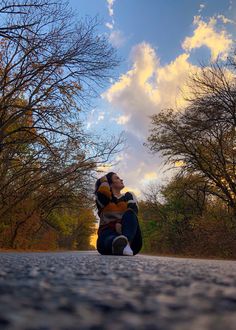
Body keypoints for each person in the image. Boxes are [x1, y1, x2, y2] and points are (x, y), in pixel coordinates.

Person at [95, 172, 142, 256]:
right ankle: (119, 243)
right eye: (117, 178)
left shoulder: (128, 195)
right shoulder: (104, 197)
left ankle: (125, 242)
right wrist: (104, 182)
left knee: (130, 213)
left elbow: (133, 212)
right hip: (107, 235)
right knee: (108, 238)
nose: (121, 179)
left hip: (131, 239)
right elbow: (103, 198)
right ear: (110, 184)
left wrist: (120, 224)